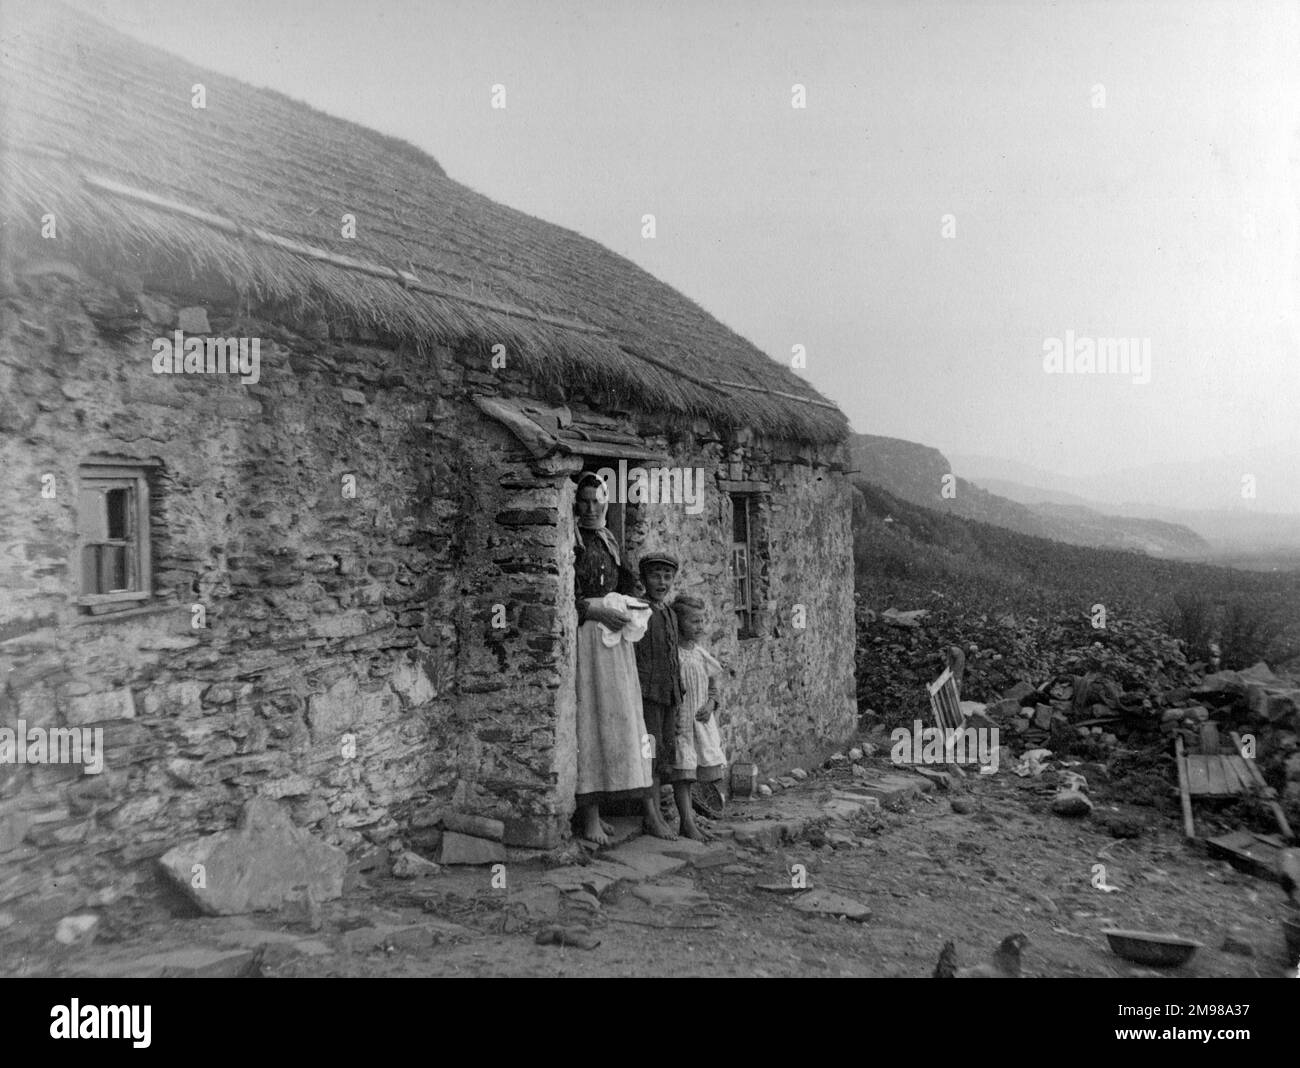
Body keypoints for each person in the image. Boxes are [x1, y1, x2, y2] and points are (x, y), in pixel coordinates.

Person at [572, 473, 657, 846]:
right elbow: (566, 594)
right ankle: (588, 815)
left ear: (606, 504)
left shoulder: (608, 540)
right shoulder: (570, 542)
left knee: (616, 720)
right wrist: (596, 611)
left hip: (613, 640)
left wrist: (630, 603)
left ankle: (604, 809)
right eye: (584, 501)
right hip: (587, 637)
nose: (590, 508)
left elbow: (625, 584)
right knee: (590, 718)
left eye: (596, 502)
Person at [635, 551, 686, 840]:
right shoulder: (640, 609)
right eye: (655, 576)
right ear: (644, 579)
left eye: (667, 576)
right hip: (648, 693)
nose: (662, 581)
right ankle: (651, 816)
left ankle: (659, 813)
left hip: (668, 694)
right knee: (649, 755)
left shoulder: (668, 612)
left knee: (663, 756)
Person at [670, 593, 727, 840]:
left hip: (700, 721)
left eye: (702, 621)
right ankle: (686, 822)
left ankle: (692, 818)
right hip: (681, 721)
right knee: (682, 772)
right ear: (679, 623)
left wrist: (711, 703)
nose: (700, 627)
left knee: (695, 770)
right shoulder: (674, 654)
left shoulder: (701, 654)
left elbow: (713, 686)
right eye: (694, 621)